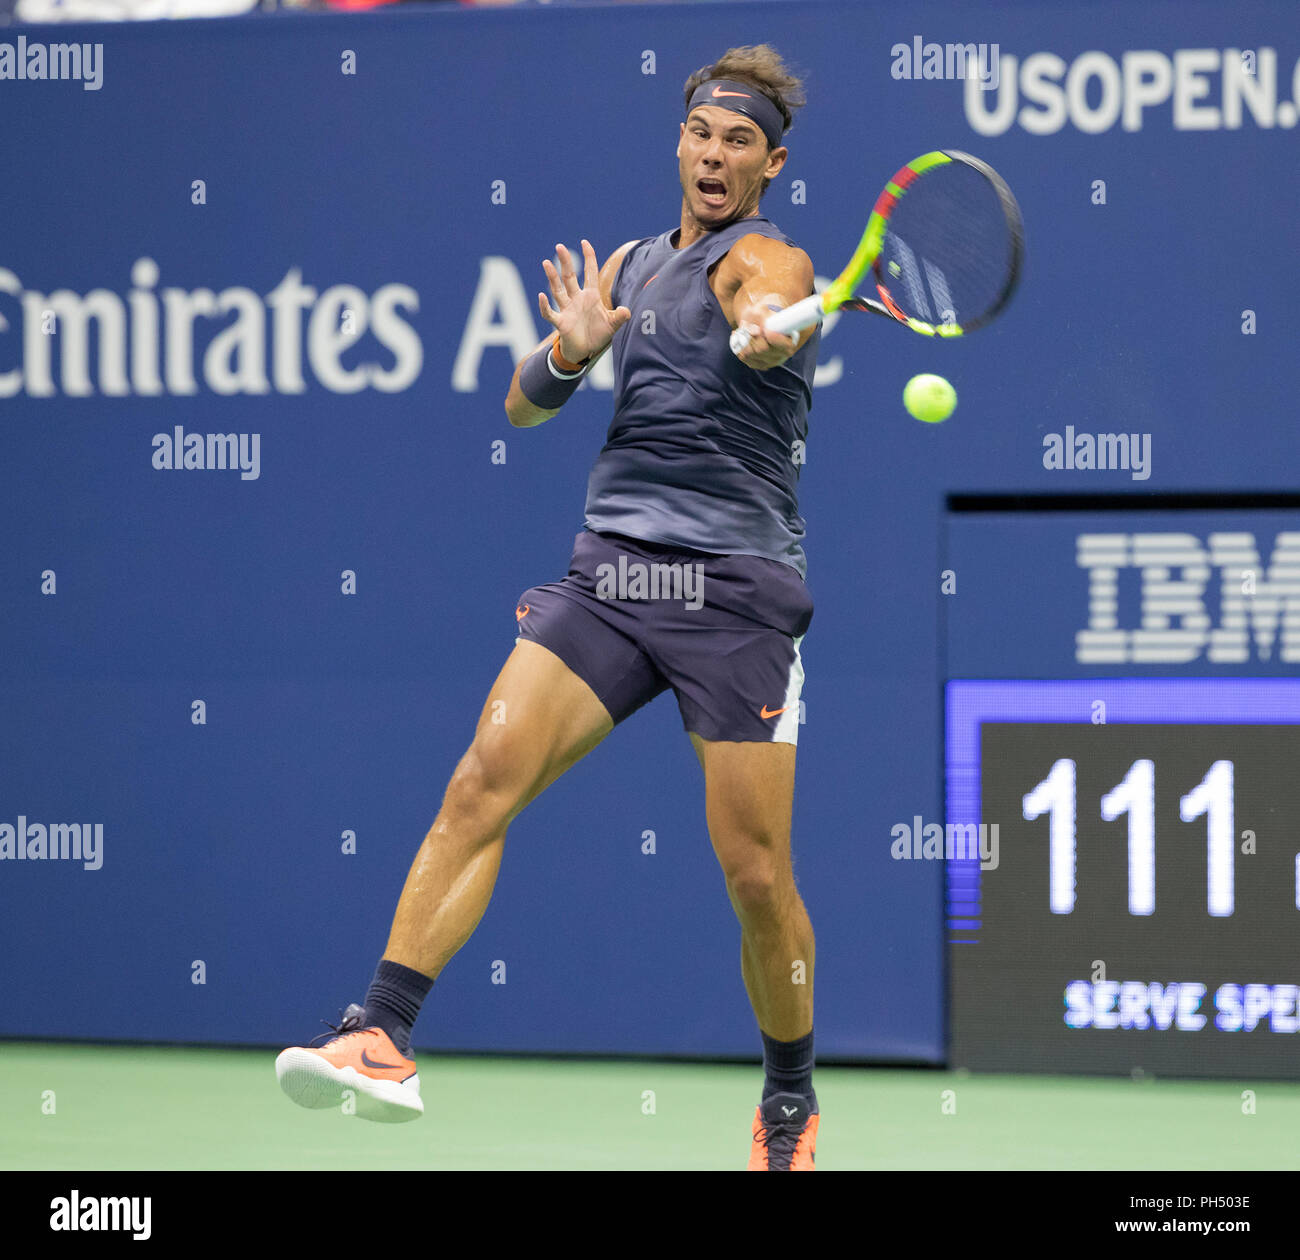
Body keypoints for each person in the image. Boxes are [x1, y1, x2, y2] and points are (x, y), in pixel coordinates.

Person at [276, 43, 822, 1171]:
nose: (715, 156)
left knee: (755, 874)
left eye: (740, 143)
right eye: (702, 134)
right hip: (614, 575)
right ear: (679, 140)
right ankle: (381, 1033)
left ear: (770, 165)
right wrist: (570, 355)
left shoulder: (763, 253)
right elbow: (523, 406)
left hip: (732, 593)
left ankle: (788, 1098)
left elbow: (769, 298)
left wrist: (776, 321)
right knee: (482, 777)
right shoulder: (625, 265)